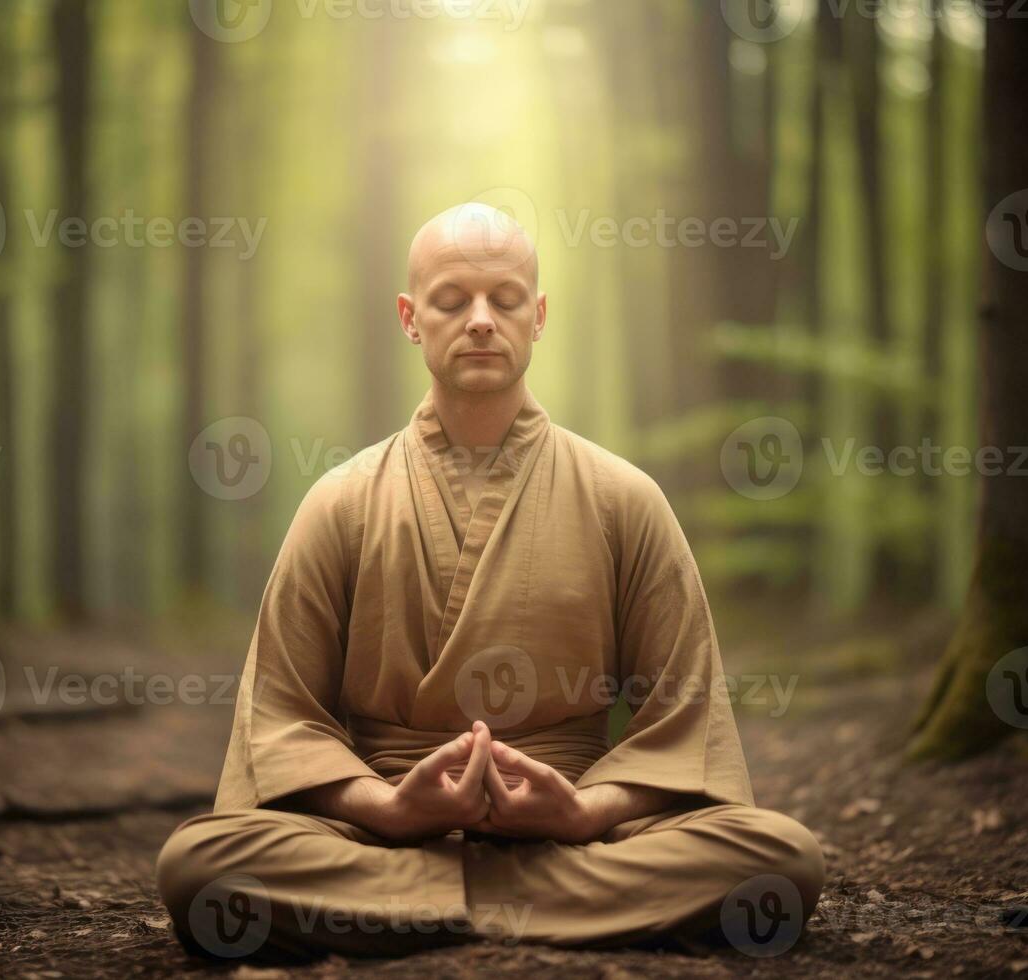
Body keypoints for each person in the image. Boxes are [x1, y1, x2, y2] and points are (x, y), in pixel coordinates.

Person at [155, 203, 825, 962]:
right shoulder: (340, 500)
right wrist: (390, 808)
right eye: (451, 301)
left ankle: (416, 907)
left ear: (537, 316)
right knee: (198, 865)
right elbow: (280, 718)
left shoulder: (622, 497)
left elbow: (683, 722)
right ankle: (519, 904)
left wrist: (577, 812)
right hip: (385, 825)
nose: (480, 320)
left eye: (504, 300)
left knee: (779, 857)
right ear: (411, 319)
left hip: (566, 826)